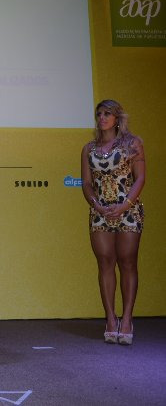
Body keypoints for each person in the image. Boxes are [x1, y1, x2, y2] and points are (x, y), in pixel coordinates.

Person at [81, 99, 145, 346]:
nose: (102, 118)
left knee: (127, 262)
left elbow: (140, 179)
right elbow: (87, 183)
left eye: (107, 113)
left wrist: (124, 205)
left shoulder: (132, 144)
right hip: (100, 212)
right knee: (105, 262)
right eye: (99, 113)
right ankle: (110, 318)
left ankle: (127, 319)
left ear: (118, 118)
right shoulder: (89, 148)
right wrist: (97, 205)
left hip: (128, 210)